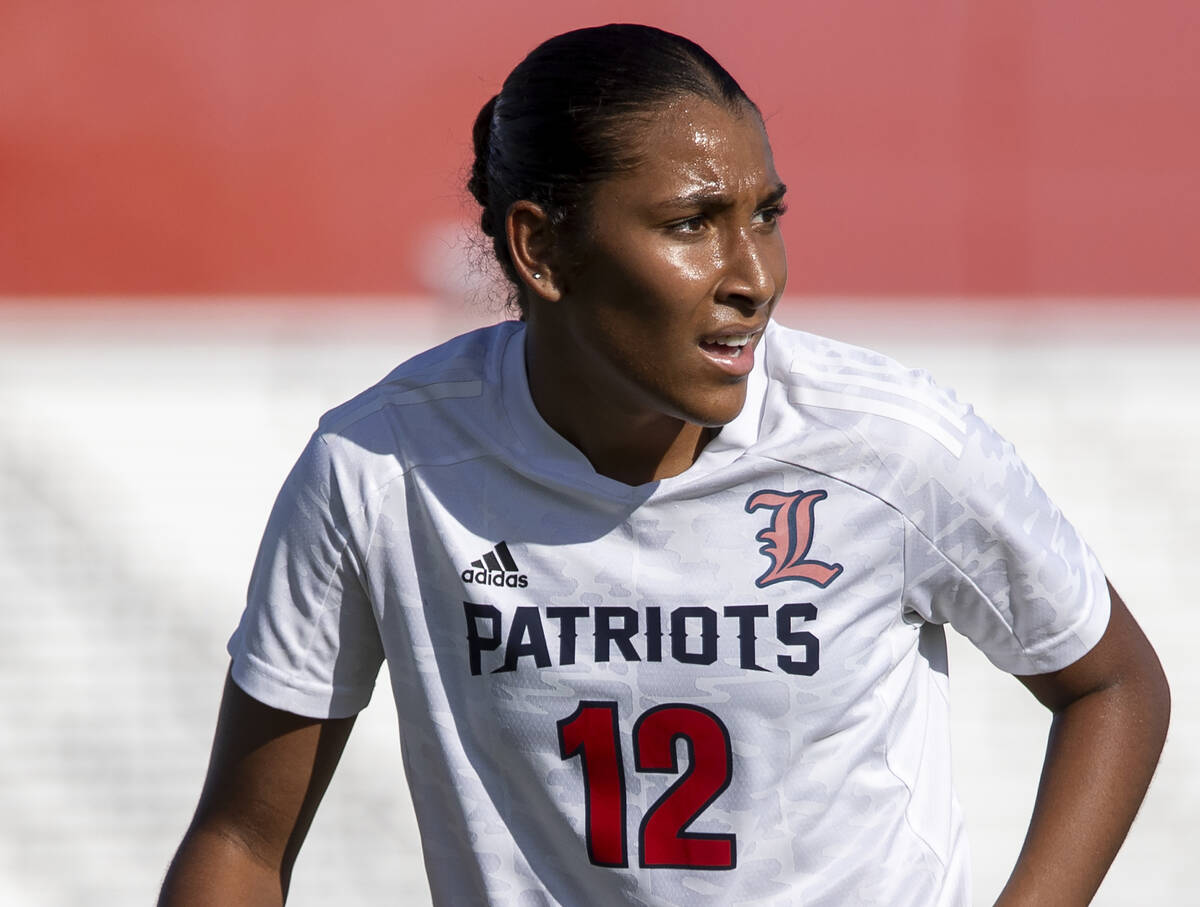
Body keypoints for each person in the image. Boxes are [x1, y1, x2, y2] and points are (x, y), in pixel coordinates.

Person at [159, 23, 1169, 907]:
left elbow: (1113, 682)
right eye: (693, 223)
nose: (755, 277)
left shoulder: (891, 444)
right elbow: (242, 841)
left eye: (766, 214)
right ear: (542, 250)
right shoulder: (379, 468)